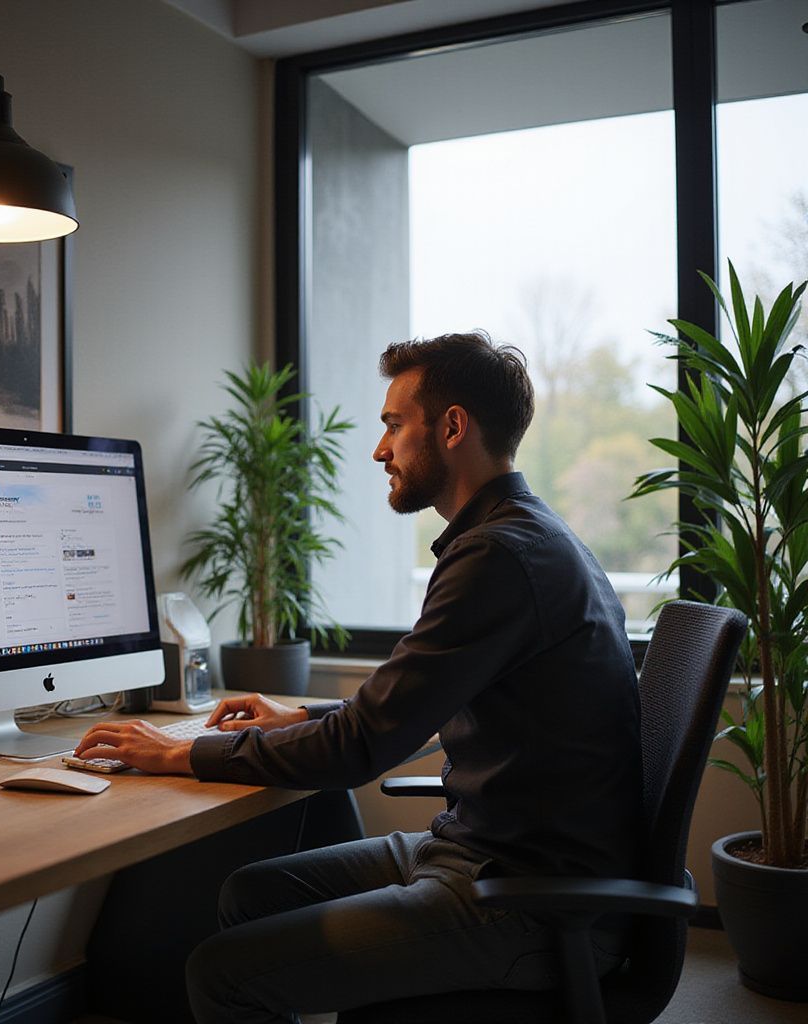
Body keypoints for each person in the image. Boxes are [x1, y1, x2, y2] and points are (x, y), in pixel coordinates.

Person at [74, 332, 643, 1024]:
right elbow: (401, 712)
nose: (381, 451)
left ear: (453, 426)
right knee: (248, 894)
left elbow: (359, 750)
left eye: (394, 426)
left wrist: (177, 751)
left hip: (527, 899)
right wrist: (302, 720)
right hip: (488, 851)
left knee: (220, 974)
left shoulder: (497, 556)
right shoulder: (521, 534)